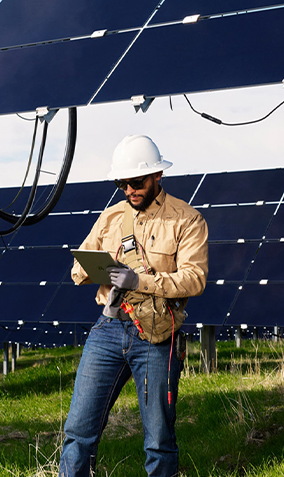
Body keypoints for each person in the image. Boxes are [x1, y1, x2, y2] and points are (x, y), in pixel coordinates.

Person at [59, 135, 209, 477]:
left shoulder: (186, 220)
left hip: (156, 336)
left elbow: (195, 278)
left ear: (157, 176)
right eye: (122, 183)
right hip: (107, 330)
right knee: (78, 430)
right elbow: (76, 271)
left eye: (137, 182)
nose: (130, 190)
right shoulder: (111, 217)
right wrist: (100, 266)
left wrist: (140, 281)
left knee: (158, 438)